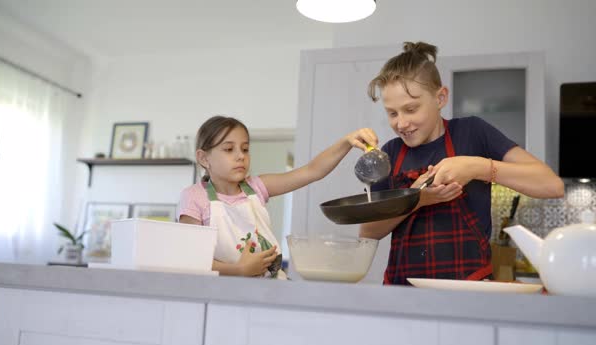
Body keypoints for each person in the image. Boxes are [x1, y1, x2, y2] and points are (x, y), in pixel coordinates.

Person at [360, 42, 564, 285]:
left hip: (469, 287)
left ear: (440, 98)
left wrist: (478, 167)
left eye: (411, 109)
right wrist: (417, 198)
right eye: (392, 113)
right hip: (404, 289)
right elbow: (368, 232)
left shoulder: (472, 132)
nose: (401, 123)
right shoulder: (391, 153)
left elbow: (552, 185)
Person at [179, 115, 377, 278]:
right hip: (226, 293)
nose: (241, 156)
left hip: (271, 286)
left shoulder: (255, 187)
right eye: (229, 149)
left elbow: (312, 171)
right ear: (203, 158)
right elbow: (192, 259)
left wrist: (347, 142)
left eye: (245, 149)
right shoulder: (195, 197)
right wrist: (238, 270)